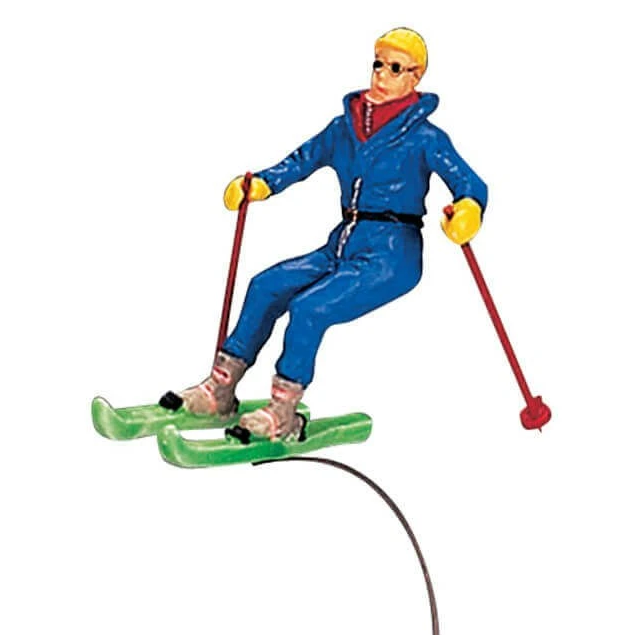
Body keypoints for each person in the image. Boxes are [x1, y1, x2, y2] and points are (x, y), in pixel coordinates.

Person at [163, 28, 488, 439]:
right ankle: (220, 388)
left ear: (415, 77)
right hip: (343, 242)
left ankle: (283, 411)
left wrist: (468, 209)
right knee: (266, 286)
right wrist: (262, 183)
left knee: (310, 308)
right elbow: (303, 159)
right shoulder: (345, 127)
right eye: (378, 63)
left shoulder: (426, 137)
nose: (381, 74)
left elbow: (469, 183)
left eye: (395, 68)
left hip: (392, 253)